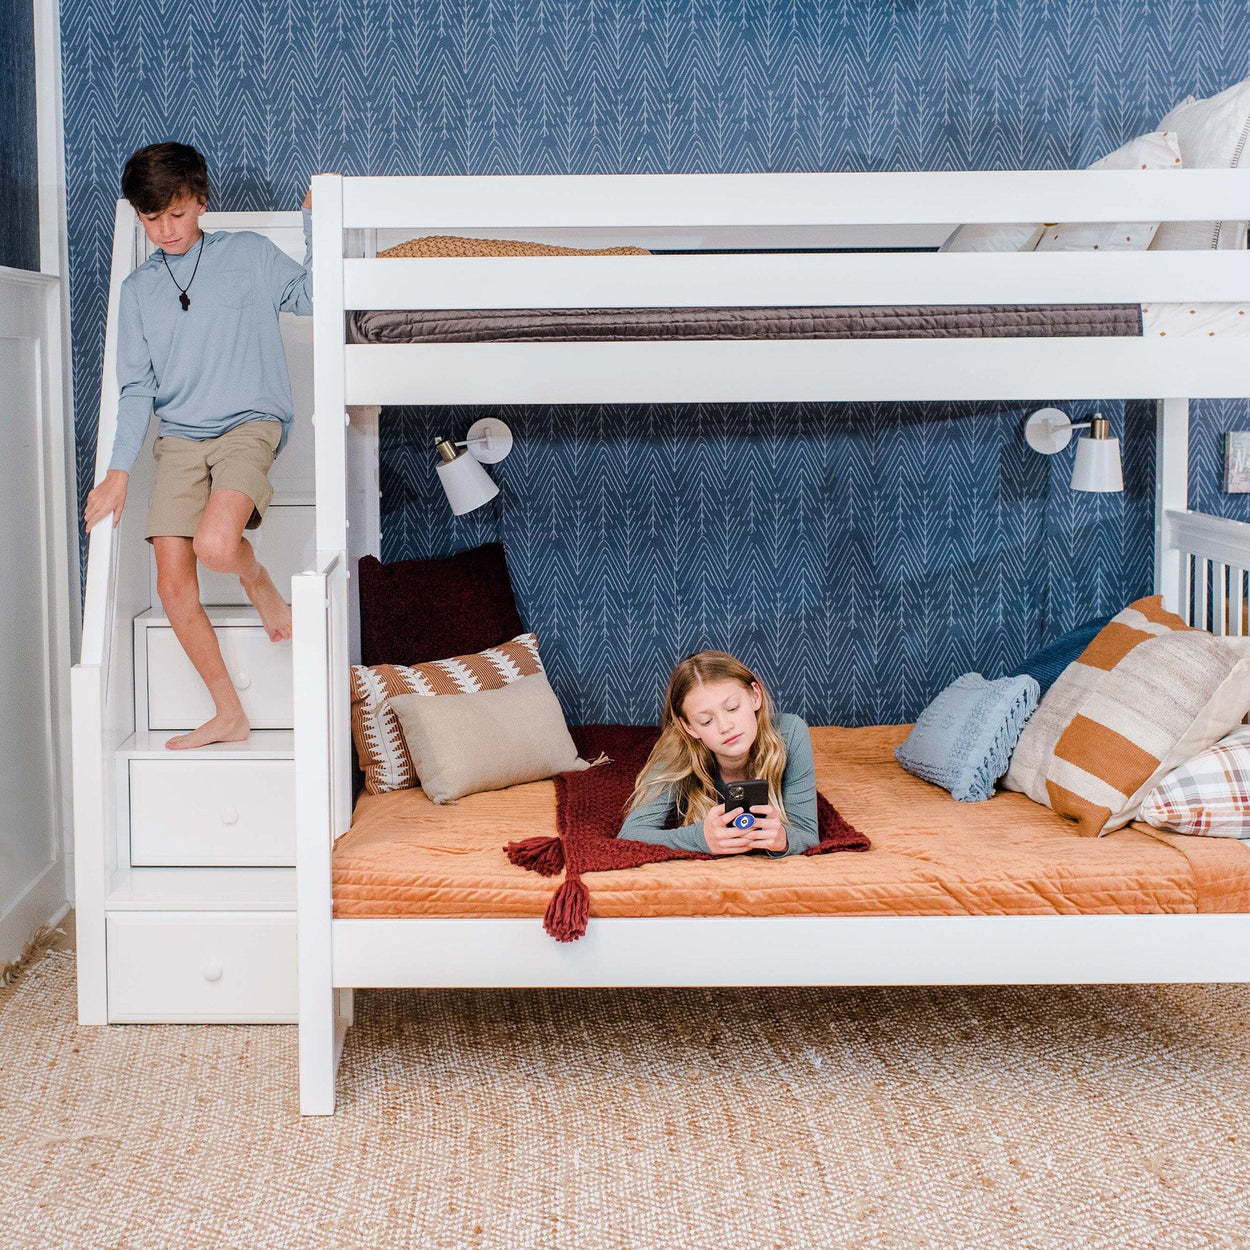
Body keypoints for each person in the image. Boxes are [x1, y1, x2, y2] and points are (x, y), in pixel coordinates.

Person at [83, 143, 318, 750]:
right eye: (151, 218)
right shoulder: (138, 291)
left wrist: (316, 222)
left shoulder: (248, 255)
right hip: (180, 439)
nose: (166, 230)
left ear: (202, 202)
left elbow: (315, 297)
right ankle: (229, 713)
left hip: (249, 425)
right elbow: (136, 389)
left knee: (216, 546)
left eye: (178, 214)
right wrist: (119, 472)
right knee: (171, 586)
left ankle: (258, 581)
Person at [620, 650, 819, 857]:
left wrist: (783, 839)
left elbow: (808, 835)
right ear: (689, 727)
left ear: (755, 696)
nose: (725, 727)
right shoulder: (676, 750)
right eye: (706, 721)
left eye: (732, 708)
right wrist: (700, 838)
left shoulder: (790, 732)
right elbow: (630, 835)